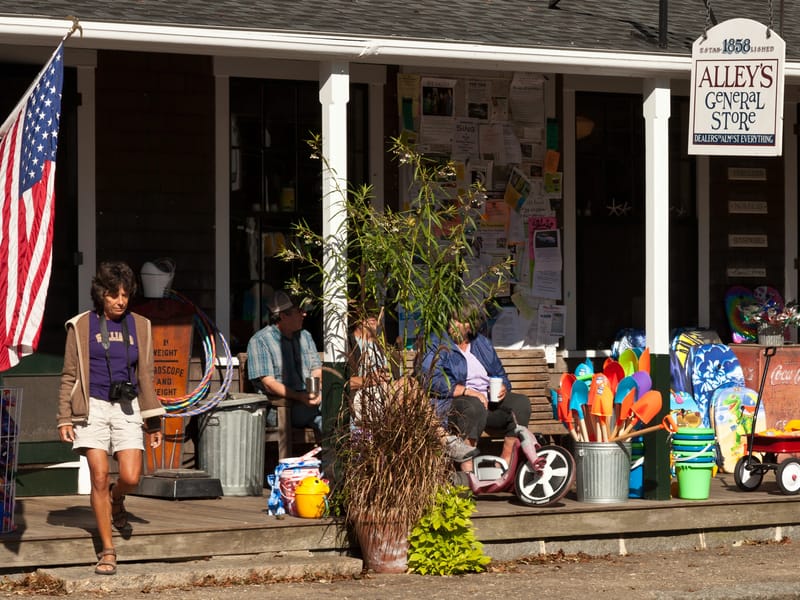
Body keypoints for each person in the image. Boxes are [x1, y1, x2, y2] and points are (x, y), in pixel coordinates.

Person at [57, 261, 165, 576]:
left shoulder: (141, 325)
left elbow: (147, 375)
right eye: (113, 295)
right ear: (101, 294)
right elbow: (69, 375)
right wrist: (65, 416)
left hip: (127, 406)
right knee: (100, 476)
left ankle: (117, 501)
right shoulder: (80, 326)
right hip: (91, 408)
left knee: (131, 477)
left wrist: (154, 421)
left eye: (125, 295)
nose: (120, 301)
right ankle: (108, 550)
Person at [347, 302, 477, 462]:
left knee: (410, 388)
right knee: (410, 387)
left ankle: (434, 456)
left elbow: (397, 378)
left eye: (376, 313)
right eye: (368, 313)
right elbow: (342, 382)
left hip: (389, 398)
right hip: (362, 399)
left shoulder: (384, 346)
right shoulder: (348, 344)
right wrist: (369, 379)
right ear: (356, 316)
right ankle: (443, 442)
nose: (373, 317)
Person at [421, 303, 531, 471]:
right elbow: (429, 379)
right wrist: (466, 391)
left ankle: (505, 461)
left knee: (521, 403)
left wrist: (502, 387)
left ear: (471, 325)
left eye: (459, 321)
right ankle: (468, 468)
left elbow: (501, 375)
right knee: (473, 406)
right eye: (452, 320)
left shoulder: (482, 344)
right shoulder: (438, 343)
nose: (453, 325)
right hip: (456, 404)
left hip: (488, 404)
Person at [247, 290, 323, 433]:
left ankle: (340, 451)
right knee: (334, 410)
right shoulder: (260, 341)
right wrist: (299, 397)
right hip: (281, 408)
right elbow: (269, 384)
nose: (304, 314)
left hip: (309, 404)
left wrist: (315, 392)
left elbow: (316, 369)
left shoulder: (305, 336)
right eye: (299, 311)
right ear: (282, 315)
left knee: (332, 421)